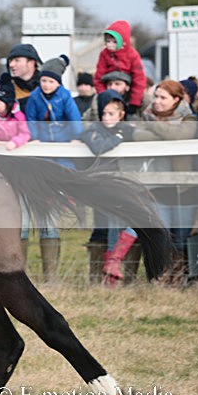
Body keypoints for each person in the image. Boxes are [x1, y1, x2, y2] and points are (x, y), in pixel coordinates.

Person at [24, 55, 82, 281]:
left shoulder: (66, 97)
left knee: (62, 177)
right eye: (43, 81)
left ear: (58, 83)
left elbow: (74, 119)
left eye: (50, 82)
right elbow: (30, 119)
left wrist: (76, 137)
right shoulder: (35, 97)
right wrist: (34, 137)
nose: (46, 85)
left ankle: (66, 198)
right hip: (42, 148)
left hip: (62, 146)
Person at [133, 80, 197, 285]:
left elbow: (180, 135)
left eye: (163, 98)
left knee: (181, 236)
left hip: (183, 187)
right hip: (156, 186)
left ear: (176, 100)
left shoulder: (188, 117)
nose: (157, 102)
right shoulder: (147, 114)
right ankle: (161, 278)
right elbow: (137, 136)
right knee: (161, 233)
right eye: (156, 96)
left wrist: (155, 127)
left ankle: (178, 280)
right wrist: (163, 132)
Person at [79, 90, 140, 286]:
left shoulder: (130, 130)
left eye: (111, 113)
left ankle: (113, 265)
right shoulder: (93, 130)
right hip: (103, 186)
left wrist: (123, 134)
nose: (106, 118)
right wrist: (119, 138)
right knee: (111, 222)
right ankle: (110, 270)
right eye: (104, 113)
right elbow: (98, 147)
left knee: (132, 221)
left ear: (121, 114)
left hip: (127, 185)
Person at [93, 20, 147, 118]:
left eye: (114, 41)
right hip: (109, 91)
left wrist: (135, 102)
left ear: (123, 41)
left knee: (140, 107)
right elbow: (98, 78)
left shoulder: (132, 55)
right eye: (108, 41)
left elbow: (139, 79)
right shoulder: (104, 54)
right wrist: (105, 95)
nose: (110, 44)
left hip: (129, 91)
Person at [7, 44, 42, 112]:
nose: (11, 65)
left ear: (31, 63)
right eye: (10, 60)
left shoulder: (49, 85)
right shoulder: (6, 88)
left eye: (17, 60)